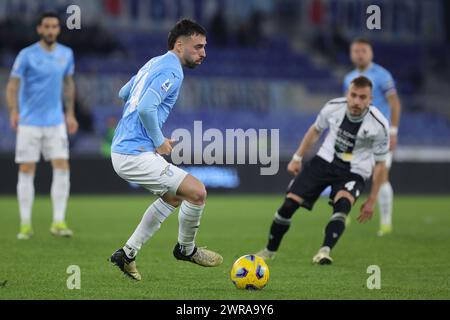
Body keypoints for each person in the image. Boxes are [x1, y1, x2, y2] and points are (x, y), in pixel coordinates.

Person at [109, 19, 223, 281]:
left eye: (204, 47)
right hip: (133, 152)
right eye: (198, 47)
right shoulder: (172, 70)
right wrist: (159, 140)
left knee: (174, 197)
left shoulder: (154, 62)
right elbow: (146, 107)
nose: (203, 53)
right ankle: (186, 249)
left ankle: (127, 254)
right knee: (197, 192)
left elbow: (124, 92)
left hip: (128, 149)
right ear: (179, 45)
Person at [256, 76, 389, 264]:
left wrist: (372, 200)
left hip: (355, 170)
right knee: (288, 205)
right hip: (324, 161)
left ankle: (324, 252)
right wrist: (297, 158)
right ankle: (269, 251)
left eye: (362, 97)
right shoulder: (333, 107)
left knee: (342, 206)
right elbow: (315, 130)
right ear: (347, 94)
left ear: (370, 99)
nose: (357, 101)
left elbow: (381, 164)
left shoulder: (379, 125)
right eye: (353, 95)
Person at [6, 12, 78, 240]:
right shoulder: (26, 55)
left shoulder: (66, 54)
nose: (50, 30)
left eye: (54, 26)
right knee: (27, 169)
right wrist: (13, 111)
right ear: (39, 29)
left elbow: (68, 85)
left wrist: (70, 114)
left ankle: (58, 221)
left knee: (62, 166)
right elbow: (12, 86)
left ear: (58, 29)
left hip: (55, 121)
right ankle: (25, 224)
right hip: (29, 122)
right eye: (46, 26)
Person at [343, 38, 402, 236]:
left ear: (371, 53)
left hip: (379, 136)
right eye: (356, 50)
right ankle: (343, 213)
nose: (359, 54)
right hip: (356, 135)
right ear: (351, 54)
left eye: (363, 50)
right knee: (345, 174)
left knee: (381, 177)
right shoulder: (349, 78)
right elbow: (347, 107)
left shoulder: (382, 75)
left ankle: (385, 222)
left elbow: (394, 104)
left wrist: (393, 131)